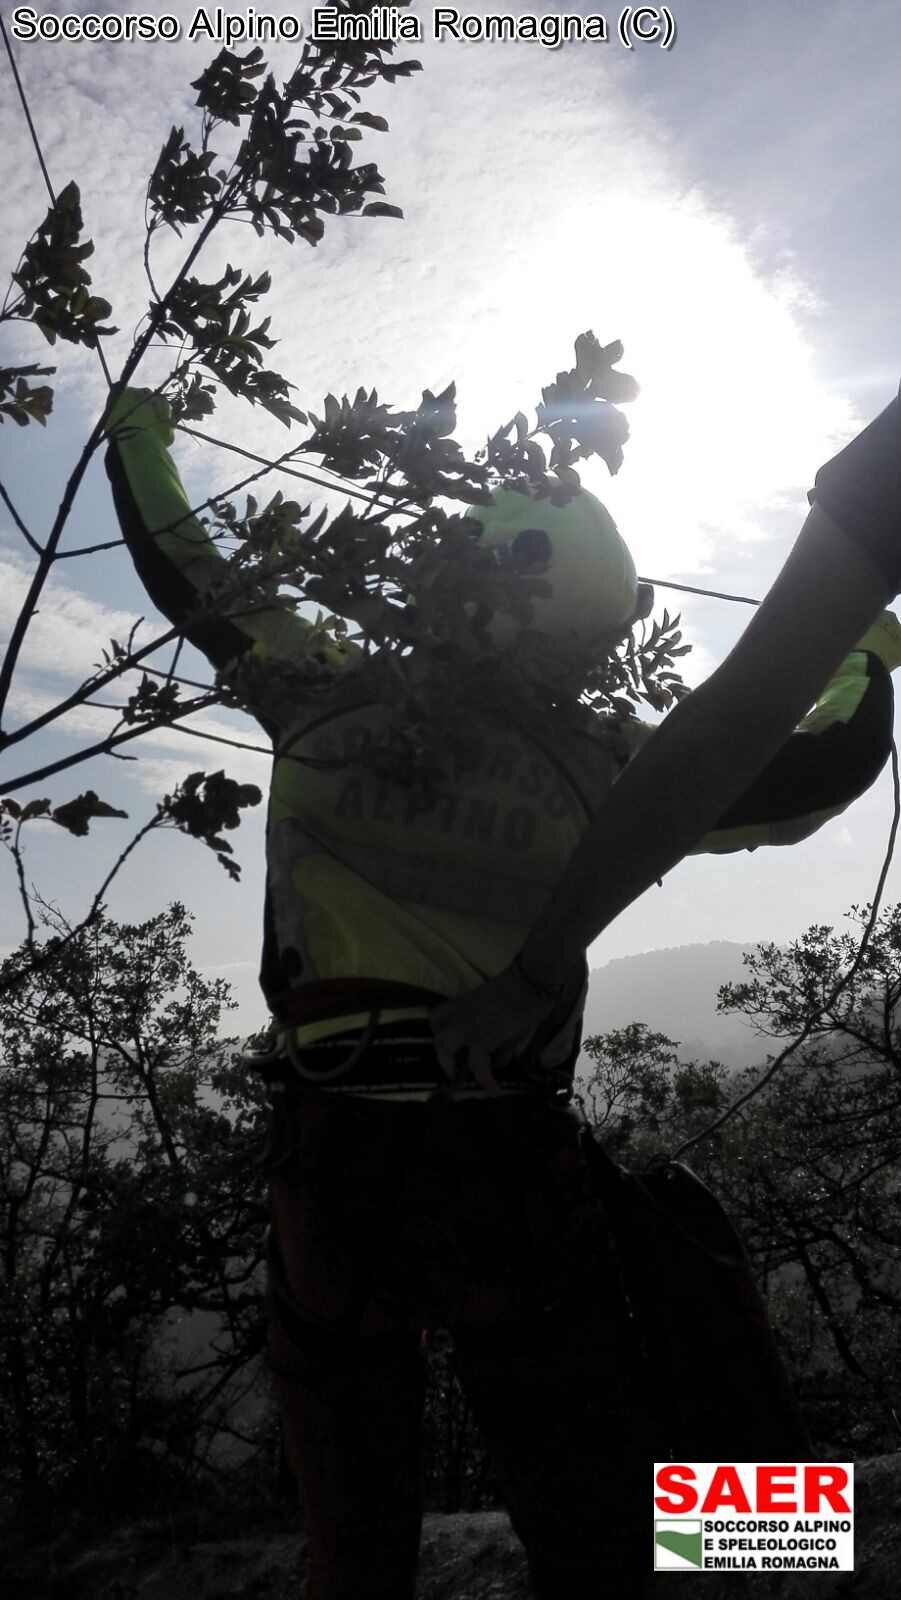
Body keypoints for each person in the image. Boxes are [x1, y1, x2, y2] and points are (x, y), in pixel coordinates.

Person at [106, 387, 899, 1600]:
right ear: (591, 632)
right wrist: (869, 655)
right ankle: (768, 1543)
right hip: (511, 1168)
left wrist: (140, 435)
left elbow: (186, 568)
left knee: (353, 1544)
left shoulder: (318, 684)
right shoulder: (610, 764)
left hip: (336, 1157)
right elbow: (815, 773)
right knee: (593, 1526)